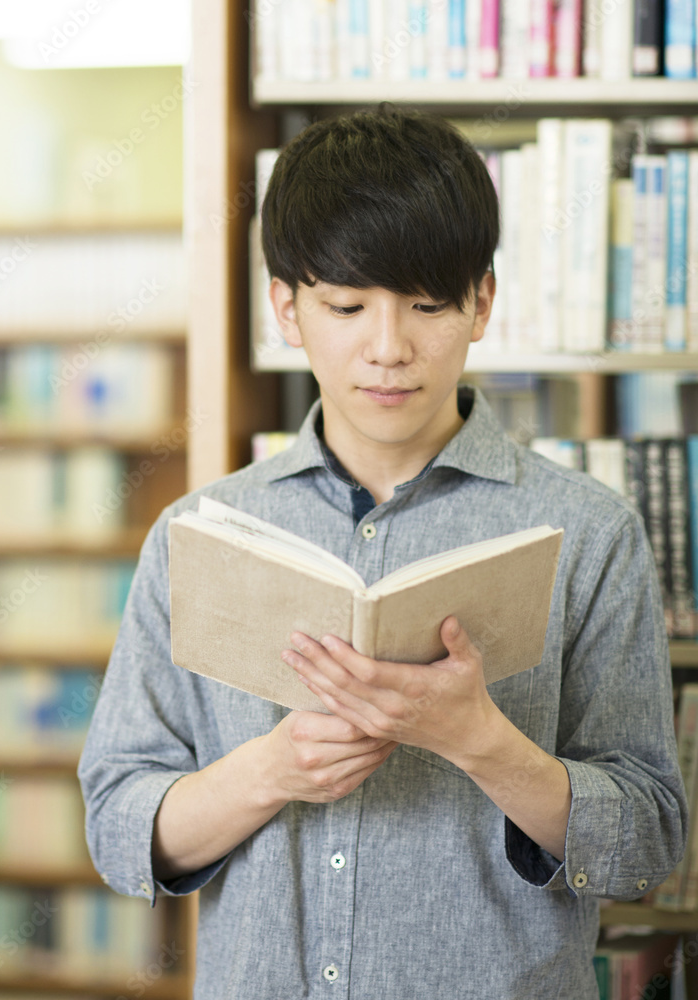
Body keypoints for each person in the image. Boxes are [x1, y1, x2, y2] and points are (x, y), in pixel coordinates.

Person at [77, 106, 686, 999]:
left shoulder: (589, 534)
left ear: (482, 302)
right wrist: (270, 771)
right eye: (347, 306)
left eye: (427, 305)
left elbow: (648, 849)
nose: (390, 348)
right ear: (286, 306)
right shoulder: (196, 535)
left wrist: (482, 743)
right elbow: (118, 830)